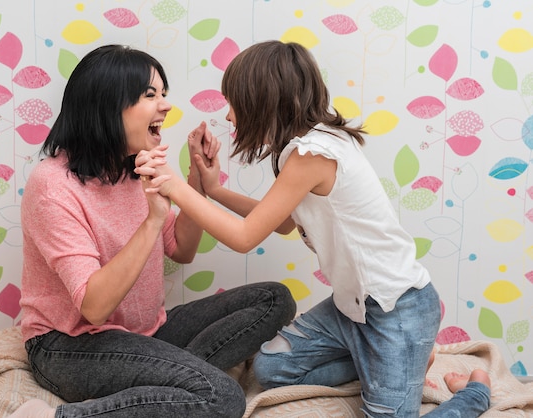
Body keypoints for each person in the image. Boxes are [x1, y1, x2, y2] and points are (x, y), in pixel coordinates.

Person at [135, 40, 491, 417]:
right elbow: (285, 224)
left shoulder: (313, 154)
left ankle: (475, 394)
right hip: (352, 309)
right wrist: (214, 190)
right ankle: (403, 360)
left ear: (263, 102)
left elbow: (244, 237)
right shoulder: (304, 148)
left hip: (397, 309)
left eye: (234, 103)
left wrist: (172, 185)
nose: (228, 115)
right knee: (271, 367)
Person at [10, 44, 296, 418]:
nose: (166, 105)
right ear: (108, 105)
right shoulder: (53, 185)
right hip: (70, 346)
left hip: (146, 332)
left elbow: (181, 250)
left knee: (275, 299)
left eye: (164, 94)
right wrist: (152, 220)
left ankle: (166, 381)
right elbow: (95, 308)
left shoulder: (132, 168)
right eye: (150, 95)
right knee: (223, 397)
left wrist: (197, 182)